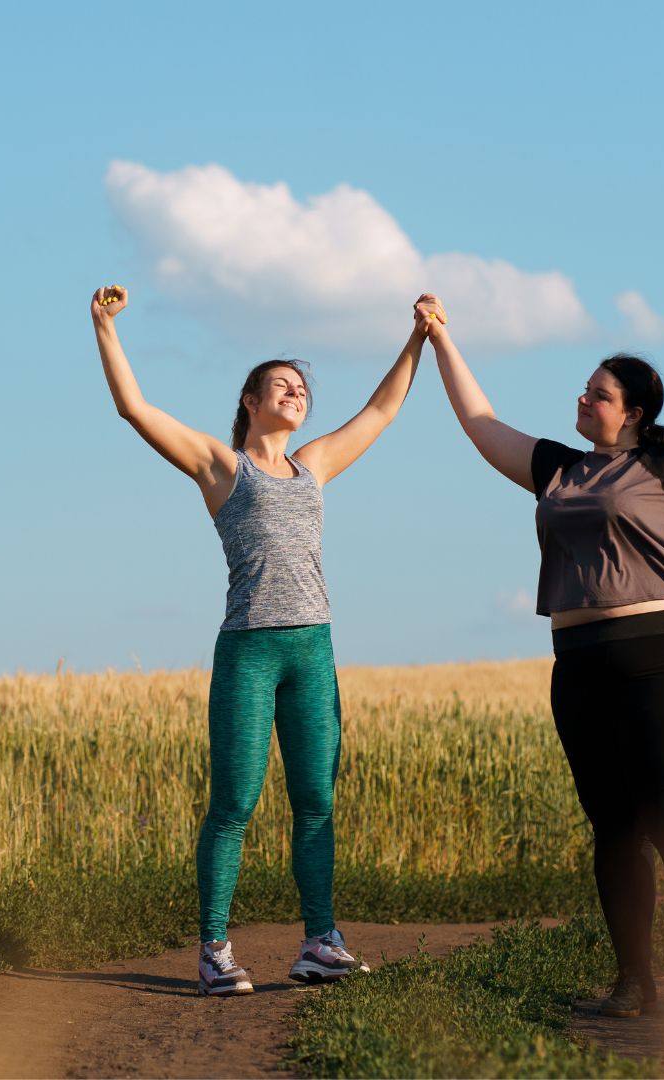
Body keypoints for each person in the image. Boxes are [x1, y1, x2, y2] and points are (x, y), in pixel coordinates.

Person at [417, 292, 664, 1016]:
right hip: (580, 665)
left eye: (600, 394)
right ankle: (634, 984)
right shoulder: (556, 468)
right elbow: (480, 423)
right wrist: (439, 340)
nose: (583, 399)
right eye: (585, 390)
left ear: (635, 414)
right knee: (615, 827)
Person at [90, 284, 424, 996]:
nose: (296, 393)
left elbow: (384, 409)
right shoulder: (221, 467)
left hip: (313, 650)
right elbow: (134, 409)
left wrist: (418, 338)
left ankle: (320, 942)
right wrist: (105, 327)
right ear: (249, 400)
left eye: (302, 388)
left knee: (316, 802)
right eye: (281, 385)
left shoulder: (316, 465)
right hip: (249, 650)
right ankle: (214, 950)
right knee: (235, 804)